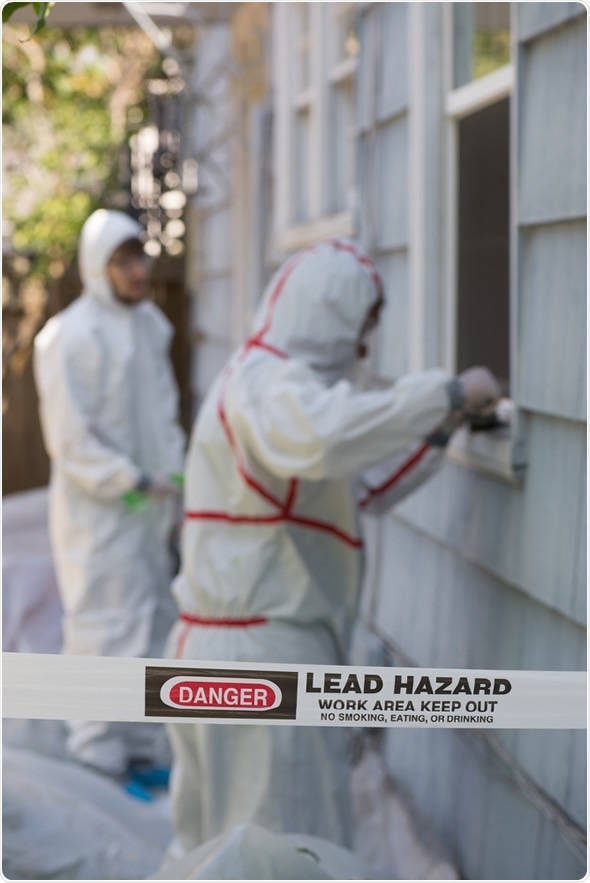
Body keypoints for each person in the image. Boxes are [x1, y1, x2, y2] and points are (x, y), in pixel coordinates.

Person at [164, 238, 500, 851]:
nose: (365, 347)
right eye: (362, 326)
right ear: (327, 315)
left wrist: (440, 428)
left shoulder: (264, 387)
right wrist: (444, 395)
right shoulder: (269, 387)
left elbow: (358, 482)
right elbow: (329, 439)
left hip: (223, 651)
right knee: (284, 852)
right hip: (257, 660)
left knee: (213, 850)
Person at [33, 209, 186, 796]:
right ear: (99, 267)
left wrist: (171, 483)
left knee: (151, 621)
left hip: (150, 510)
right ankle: (97, 754)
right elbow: (71, 442)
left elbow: (163, 415)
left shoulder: (150, 326)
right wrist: (132, 479)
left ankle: (145, 747)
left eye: (139, 257)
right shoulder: (69, 336)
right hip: (100, 515)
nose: (137, 270)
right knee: (102, 627)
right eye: (123, 261)